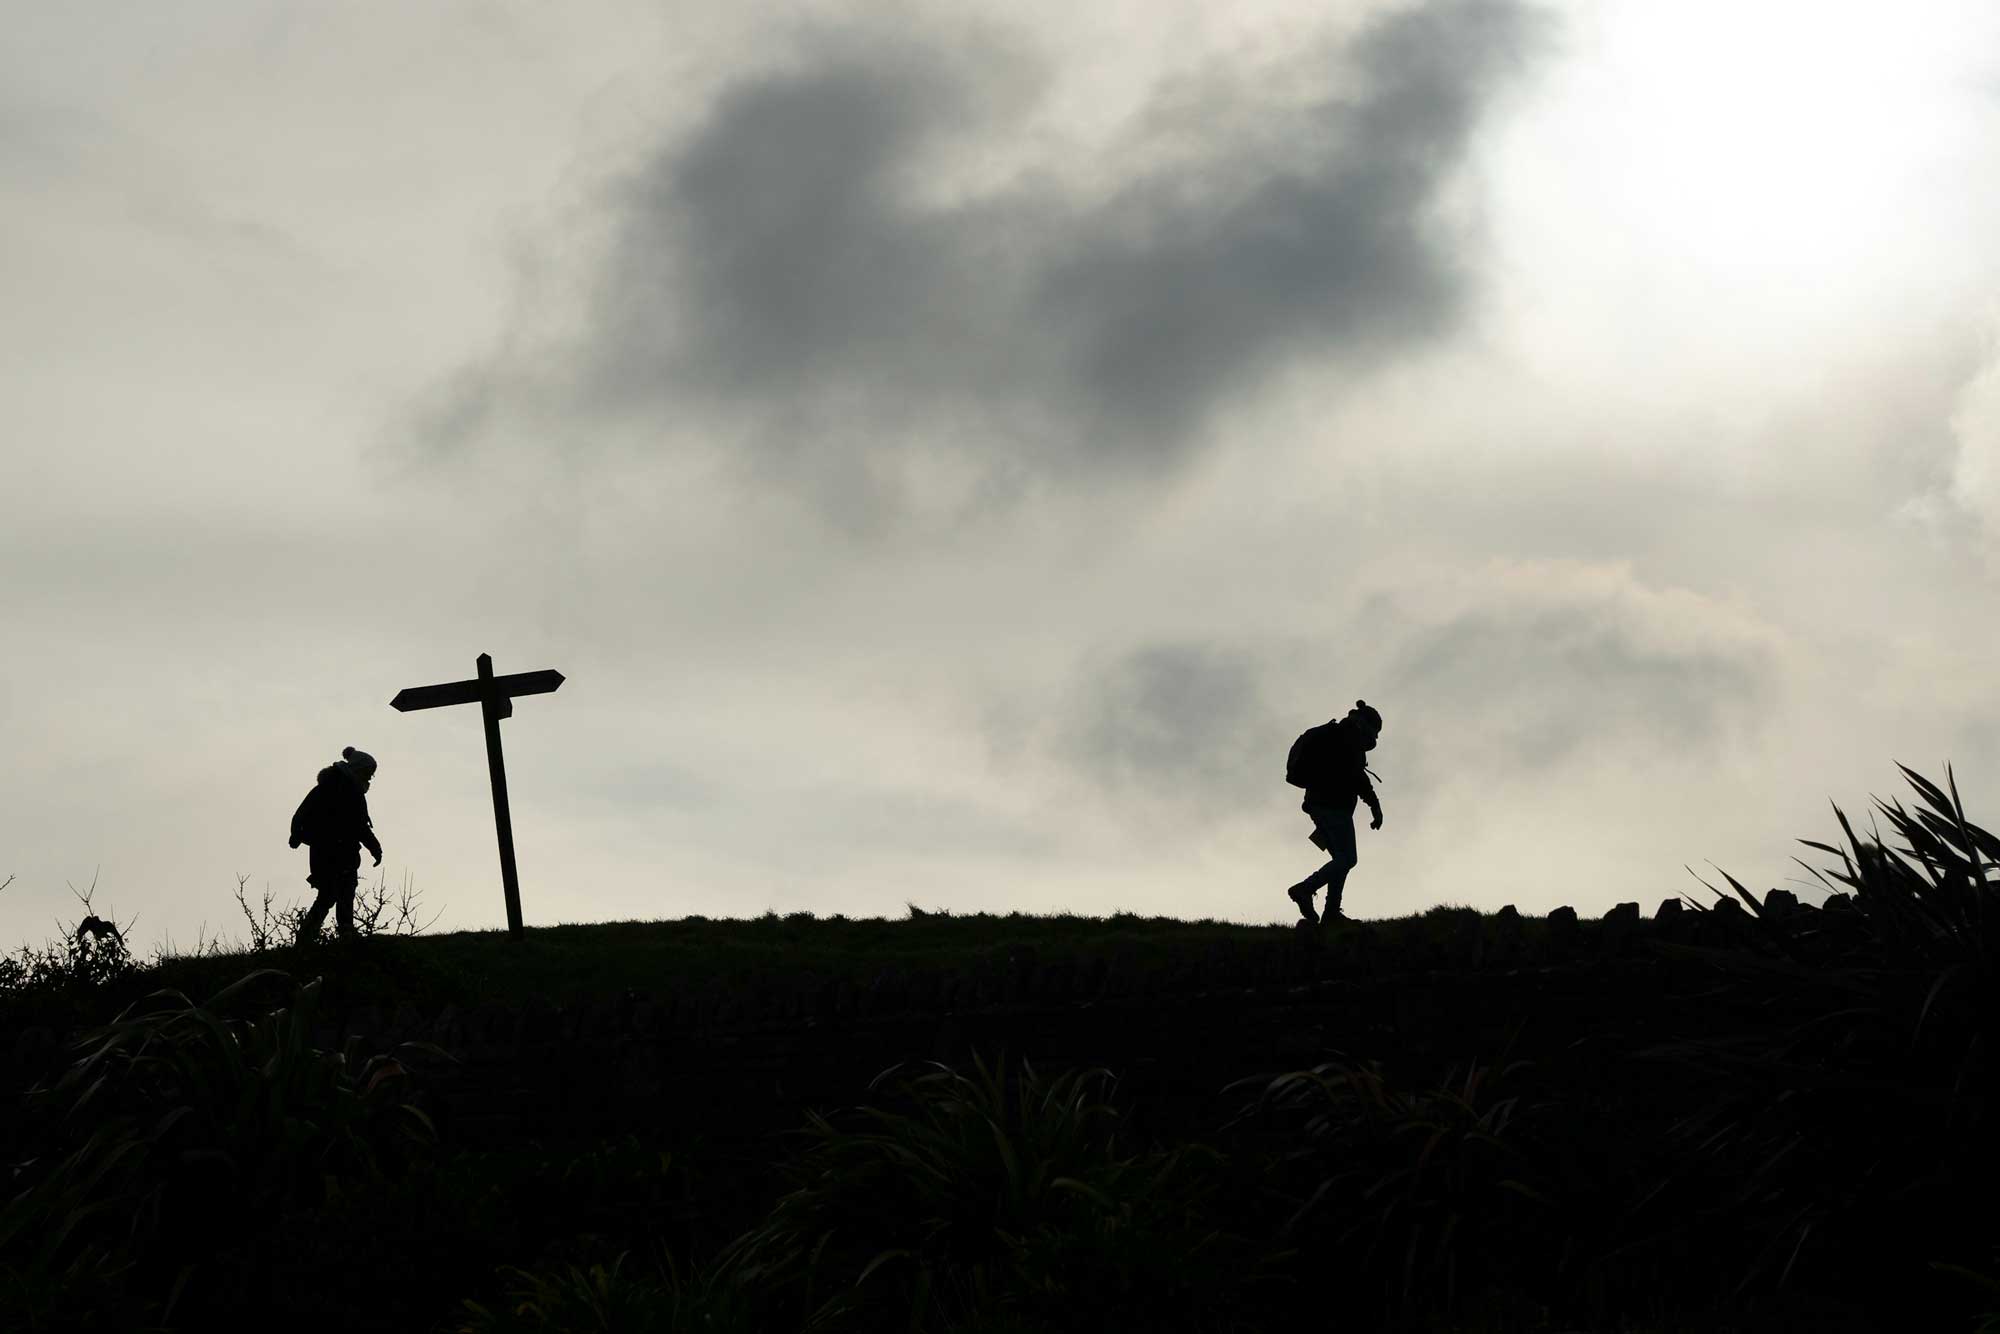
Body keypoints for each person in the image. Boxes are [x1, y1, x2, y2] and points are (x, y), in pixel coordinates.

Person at [1285, 701, 1383, 926]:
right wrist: (1375, 806)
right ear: (1366, 725)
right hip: (1332, 806)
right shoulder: (1350, 739)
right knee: (1347, 859)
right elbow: (1358, 778)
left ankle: (1331, 913)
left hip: (1319, 804)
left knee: (1341, 859)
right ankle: (1304, 889)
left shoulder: (1339, 734)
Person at [289, 746, 383, 942]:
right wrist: (375, 848)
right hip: (341, 851)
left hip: (322, 851)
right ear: (359, 769)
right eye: (368, 773)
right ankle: (345, 931)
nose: (370, 778)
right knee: (344, 889)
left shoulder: (327, 787)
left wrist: (296, 834)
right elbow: (360, 825)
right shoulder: (352, 793)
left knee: (328, 894)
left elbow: (302, 811)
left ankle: (306, 936)